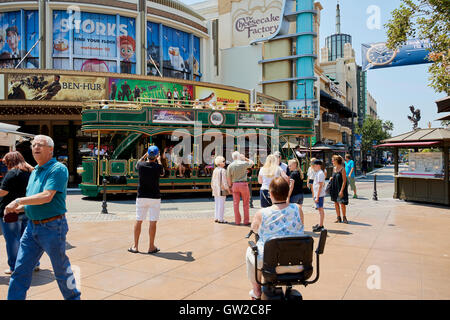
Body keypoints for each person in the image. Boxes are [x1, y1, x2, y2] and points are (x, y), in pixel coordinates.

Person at [5, 135, 80, 300]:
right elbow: (36, 200)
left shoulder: (58, 169)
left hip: (52, 226)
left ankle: (74, 298)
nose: (36, 147)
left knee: (61, 270)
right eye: (34, 145)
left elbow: (47, 196)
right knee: (20, 270)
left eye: (40, 144)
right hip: (31, 227)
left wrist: (18, 200)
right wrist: (21, 208)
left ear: (51, 150)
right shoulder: (34, 171)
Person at [246, 177, 305, 299]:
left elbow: (254, 229)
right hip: (297, 263)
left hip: (270, 265)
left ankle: (256, 290)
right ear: (287, 192)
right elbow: (301, 226)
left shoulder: (262, 213)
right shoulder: (298, 209)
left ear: (271, 194)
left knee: (250, 251)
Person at [0, 152, 39, 275]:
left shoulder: (12, 173)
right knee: (27, 239)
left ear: (11, 161)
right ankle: (34, 264)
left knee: (12, 240)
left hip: (11, 212)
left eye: (6, 163)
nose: (5, 165)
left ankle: (14, 266)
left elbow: (3, 192)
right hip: (26, 209)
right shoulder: (31, 172)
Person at [129, 146, 165, 254]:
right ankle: (151, 246)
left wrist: (144, 155)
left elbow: (137, 163)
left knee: (138, 220)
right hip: (154, 197)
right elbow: (162, 172)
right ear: (156, 156)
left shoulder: (141, 165)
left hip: (141, 196)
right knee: (153, 222)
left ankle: (135, 246)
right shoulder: (158, 167)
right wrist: (159, 161)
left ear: (148, 155)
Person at [227, 151, 254, 226]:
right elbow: (252, 163)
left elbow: (228, 177)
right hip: (243, 184)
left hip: (235, 184)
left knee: (236, 203)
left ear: (233, 157)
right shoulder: (243, 163)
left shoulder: (230, 166)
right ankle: (246, 221)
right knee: (245, 203)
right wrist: (245, 158)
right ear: (239, 156)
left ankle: (237, 221)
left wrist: (230, 186)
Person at [211, 156, 230, 224]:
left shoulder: (215, 170)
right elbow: (224, 182)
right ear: (220, 163)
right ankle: (221, 218)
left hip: (215, 189)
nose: (224, 162)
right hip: (221, 189)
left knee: (217, 203)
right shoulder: (223, 170)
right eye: (223, 161)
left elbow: (212, 181)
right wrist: (228, 189)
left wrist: (213, 188)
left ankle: (216, 217)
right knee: (221, 204)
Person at [330, 155, 349, 224]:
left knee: (342, 203)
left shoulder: (342, 169)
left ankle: (344, 217)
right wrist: (331, 178)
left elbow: (344, 181)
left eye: (333, 160)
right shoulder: (334, 168)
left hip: (341, 188)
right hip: (334, 187)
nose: (332, 161)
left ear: (336, 161)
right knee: (336, 202)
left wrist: (341, 191)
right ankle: (338, 217)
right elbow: (334, 176)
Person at [286, 159, 305, 225]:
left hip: (294, 195)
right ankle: (300, 225)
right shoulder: (300, 173)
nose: (289, 167)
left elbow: (291, 186)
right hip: (301, 195)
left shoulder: (293, 174)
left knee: (292, 212)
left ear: (294, 165)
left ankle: (293, 226)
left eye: (290, 166)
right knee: (299, 211)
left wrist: (288, 196)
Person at [312, 159, 326, 232]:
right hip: (318, 194)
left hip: (319, 195)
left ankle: (321, 225)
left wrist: (317, 197)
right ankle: (320, 224)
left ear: (318, 165)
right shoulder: (318, 173)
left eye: (314, 166)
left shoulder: (320, 173)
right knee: (320, 210)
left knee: (320, 209)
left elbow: (320, 186)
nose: (313, 167)